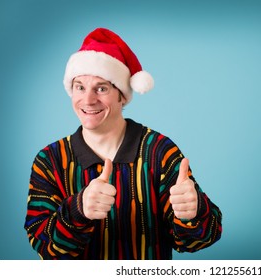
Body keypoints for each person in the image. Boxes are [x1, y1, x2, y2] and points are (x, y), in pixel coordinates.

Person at [24, 27, 222, 260]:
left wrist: (194, 212)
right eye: (80, 87)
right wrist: (78, 210)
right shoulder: (49, 160)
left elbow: (200, 239)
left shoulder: (159, 151)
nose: (88, 100)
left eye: (101, 88)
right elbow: (42, 245)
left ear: (122, 95)